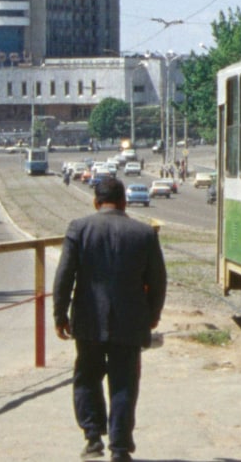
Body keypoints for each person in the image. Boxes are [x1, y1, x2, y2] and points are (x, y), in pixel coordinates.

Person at [54, 176, 167, 462]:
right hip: (130, 322)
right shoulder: (144, 234)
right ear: (124, 202)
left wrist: (60, 314)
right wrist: (153, 315)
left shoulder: (79, 229)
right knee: (124, 382)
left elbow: (64, 276)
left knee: (87, 378)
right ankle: (119, 448)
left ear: (95, 202)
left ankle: (93, 439)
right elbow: (158, 280)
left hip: (89, 321)